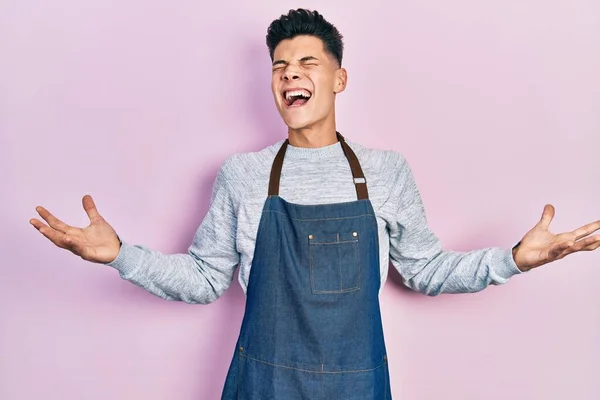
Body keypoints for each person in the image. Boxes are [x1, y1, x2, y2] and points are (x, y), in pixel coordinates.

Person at [29, 8, 599, 399]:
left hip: (357, 384)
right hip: (264, 384)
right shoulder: (245, 175)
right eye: (279, 66)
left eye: (307, 64)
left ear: (339, 78)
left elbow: (425, 270)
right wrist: (119, 254)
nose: (290, 76)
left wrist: (515, 260)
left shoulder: (383, 172)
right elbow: (205, 279)